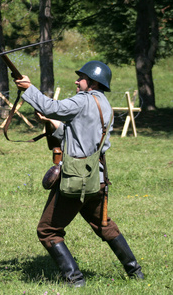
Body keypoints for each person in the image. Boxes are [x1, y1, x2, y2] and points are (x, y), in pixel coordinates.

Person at [14, 60, 144, 287]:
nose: (76, 80)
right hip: (98, 178)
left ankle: (75, 280)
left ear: (92, 82)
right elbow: (77, 133)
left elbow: (50, 107)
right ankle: (136, 272)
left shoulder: (83, 100)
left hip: (77, 180)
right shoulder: (103, 103)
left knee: (48, 231)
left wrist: (28, 88)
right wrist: (53, 124)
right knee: (105, 226)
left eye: (81, 77)